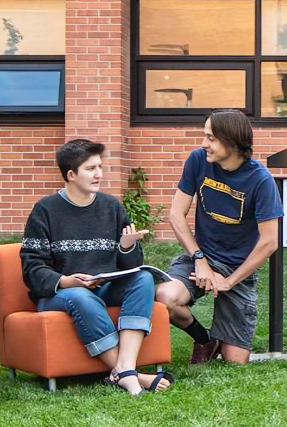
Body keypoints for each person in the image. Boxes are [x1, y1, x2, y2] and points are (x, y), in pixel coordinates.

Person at [20, 139, 173, 395]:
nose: (99, 174)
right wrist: (67, 281)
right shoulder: (45, 210)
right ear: (70, 174)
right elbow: (32, 267)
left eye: (100, 167)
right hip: (61, 294)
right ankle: (128, 374)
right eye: (90, 168)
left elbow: (131, 267)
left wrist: (126, 247)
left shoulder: (112, 207)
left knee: (144, 279)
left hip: (103, 286)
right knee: (81, 296)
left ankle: (125, 368)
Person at [156, 109, 282, 364]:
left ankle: (224, 342)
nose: (204, 144)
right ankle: (205, 339)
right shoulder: (198, 160)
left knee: (235, 361)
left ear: (232, 141)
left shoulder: (260, 180)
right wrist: (200, 260)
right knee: (164, 297)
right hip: (200, 259)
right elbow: (176, 215)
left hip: (238, 268)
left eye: (211, 138)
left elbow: (269, 242)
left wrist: (228, 281)